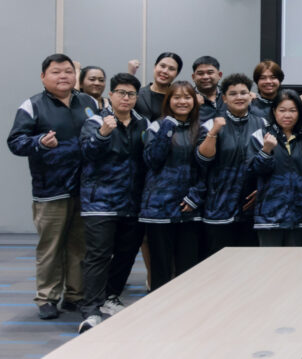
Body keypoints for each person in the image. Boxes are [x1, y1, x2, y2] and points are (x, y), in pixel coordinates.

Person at [8, 54, 97, 320]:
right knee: (50, 248)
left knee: (79, 246)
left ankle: (74, 295)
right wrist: (38, 143)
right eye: (56, 72)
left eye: (68, 71)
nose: (63, 76)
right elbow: (15, 142)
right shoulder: (32, 105)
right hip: (50, 190)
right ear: (43, 76)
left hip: (84, 188)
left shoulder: (88, 102)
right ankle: (46, 298)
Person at [77, 73, 148, 333]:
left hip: (133, 202)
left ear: (136, 97)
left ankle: (111, 296)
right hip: (100, 202)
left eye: (131, 94)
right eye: (121, 93)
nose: (125, 98)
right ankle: (91, 309)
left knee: (127, 253)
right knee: (98, 255)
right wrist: (103, 134)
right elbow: (86, 153)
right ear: (111, 95)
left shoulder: (143, 123)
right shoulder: (95, 121)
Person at [141, 81, 204, 291]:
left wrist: (195, 196)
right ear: (168, 101)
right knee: (161, 267)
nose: (182, 102)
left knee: (187, 266)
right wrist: (167, 127)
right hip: (159, 208)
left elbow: (207, 168)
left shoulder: (202, 128)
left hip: (189, 207)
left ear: (194, 101)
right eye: (176, 97)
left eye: (187, 97)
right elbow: (152, 160)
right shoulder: (157, 126)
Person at [196, 73, 264, 255]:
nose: (239, 97)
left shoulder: (262, 123)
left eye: (243, 93)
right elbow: (203, 160)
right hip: (219, 206)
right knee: (218, 262)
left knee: (248, 262)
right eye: (233, 94)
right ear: (224, 98)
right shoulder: (211, 124)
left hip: (251, 209)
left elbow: (270, 161)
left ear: (250, 96)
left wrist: (262, 189)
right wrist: (214, 132)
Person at [248, 89, 302, 247]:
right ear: (274, 111)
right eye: (282, 110)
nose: (287, 115)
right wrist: (266, 150)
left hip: (301, 212)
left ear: (300, 112)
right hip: (270, 214)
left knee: (295, 260)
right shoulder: (261, 135)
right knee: (269, 261)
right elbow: (254, 171)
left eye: (292, 110)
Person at [136, 53, 182, 121]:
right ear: (155, 66)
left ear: (177, 74)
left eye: (171, 69)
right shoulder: (137, 94)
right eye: (162, 66)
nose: (165, 71)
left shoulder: (179, 99)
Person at [191, 56, 223, 122]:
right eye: (200, 73)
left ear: (219, 75)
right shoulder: (188, 98)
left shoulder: (229, 95)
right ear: (193, 77)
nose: (205, 77)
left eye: (210, 72)